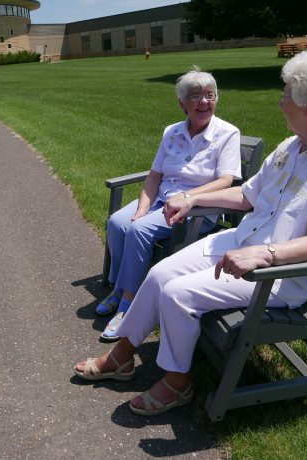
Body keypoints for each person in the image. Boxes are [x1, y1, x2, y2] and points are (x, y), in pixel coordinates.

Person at [74, 48, 307, 416]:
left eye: (285, 96)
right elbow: (246, 196)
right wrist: (190, 200)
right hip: (241, 243)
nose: (280, 103)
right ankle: (121, 356)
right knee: (160, 273)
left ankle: (177, 383)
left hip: (279, 274)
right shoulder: (291, 147)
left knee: (179, 293)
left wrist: (266, 254)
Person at [97, 67, 242, 342]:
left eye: (210, 96)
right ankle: (119, 288)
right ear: (182, 104)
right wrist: (141, 209)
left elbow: (226, 181)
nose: (204, 102)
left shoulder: (228, 133)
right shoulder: (172, 132)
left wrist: (189, 197)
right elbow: (154, 176)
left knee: (139, 231)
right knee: (118, 223)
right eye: (196, 96)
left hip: (196, 209)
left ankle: (127, 307)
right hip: (161, 200)